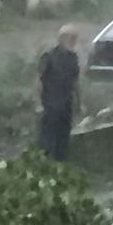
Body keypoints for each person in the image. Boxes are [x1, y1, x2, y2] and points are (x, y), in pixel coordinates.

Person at [36, 25, 81, 161]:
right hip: (50, 103)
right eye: (71, 38)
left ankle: (60, 165)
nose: (73, 41)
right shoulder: (49, 56)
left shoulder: (73, 58)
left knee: (63, 138)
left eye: (75, 38)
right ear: (62, 38)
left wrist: (79, 102)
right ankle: (45, 164)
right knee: (48, 139)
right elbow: (38, 80)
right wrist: (38, 103)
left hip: (66, 104)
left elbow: (76, 82)